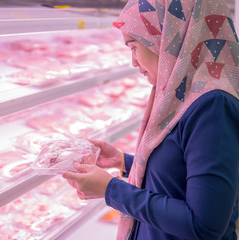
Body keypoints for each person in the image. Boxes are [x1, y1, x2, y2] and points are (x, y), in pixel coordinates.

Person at [62, 0, 239, 239]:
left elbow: (204, 226)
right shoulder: (184, 92)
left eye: (133, 46)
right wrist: (124, 162)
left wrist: (110, 189)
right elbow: (184, 173)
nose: (133, 61)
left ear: (166, 37)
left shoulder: (213, 105)